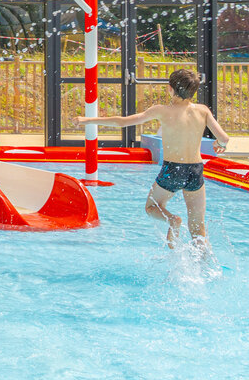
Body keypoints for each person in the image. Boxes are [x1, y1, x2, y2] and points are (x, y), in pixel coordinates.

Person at [75, 68, 230, 251]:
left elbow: (123, 122)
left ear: (170, 89)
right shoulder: (203, 111)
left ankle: (172, 219)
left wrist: (88, 120)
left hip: (173, 169)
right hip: (195, 170)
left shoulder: (162, 111)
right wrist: (221, 145)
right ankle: (204, 268)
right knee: (198, 227)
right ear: (193, 91)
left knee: (151, 207)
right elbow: (224, 138)